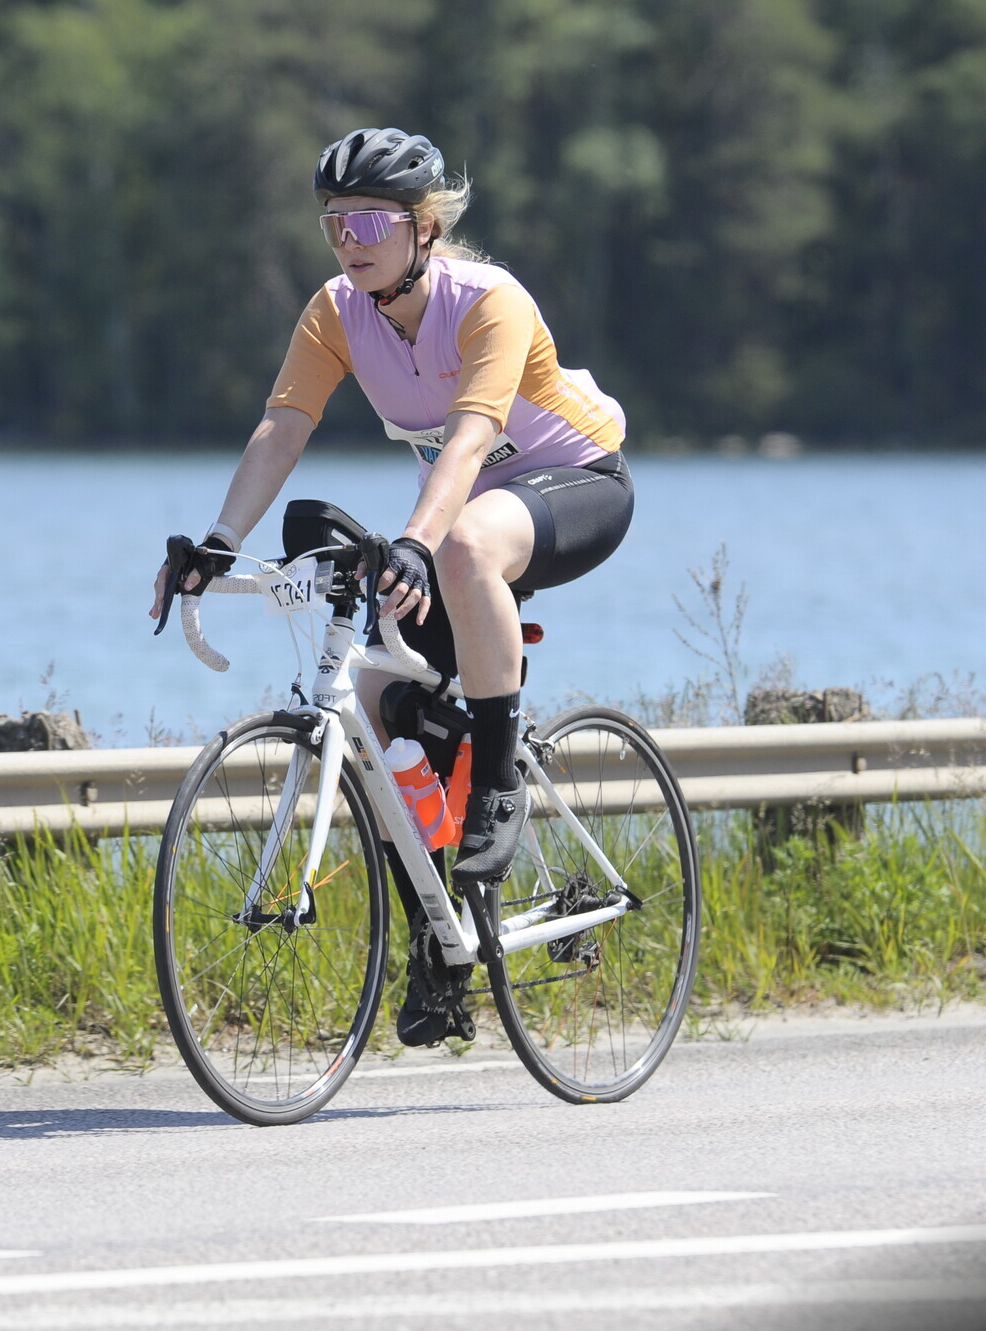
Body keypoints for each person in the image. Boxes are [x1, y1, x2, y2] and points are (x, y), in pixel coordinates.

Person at [151, 127, 634, 1045]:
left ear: (424, 225)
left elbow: (471, 436)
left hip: (578, 483)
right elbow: (283, 428)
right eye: (336, 223)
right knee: (375, 710)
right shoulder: (336, 311)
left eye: (371, 221)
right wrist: (220, 541)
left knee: (462, 548)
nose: (350, 240)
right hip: (461, 512)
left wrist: (415, 540)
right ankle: (439, 949)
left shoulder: (488, 301)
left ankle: (498, 782)